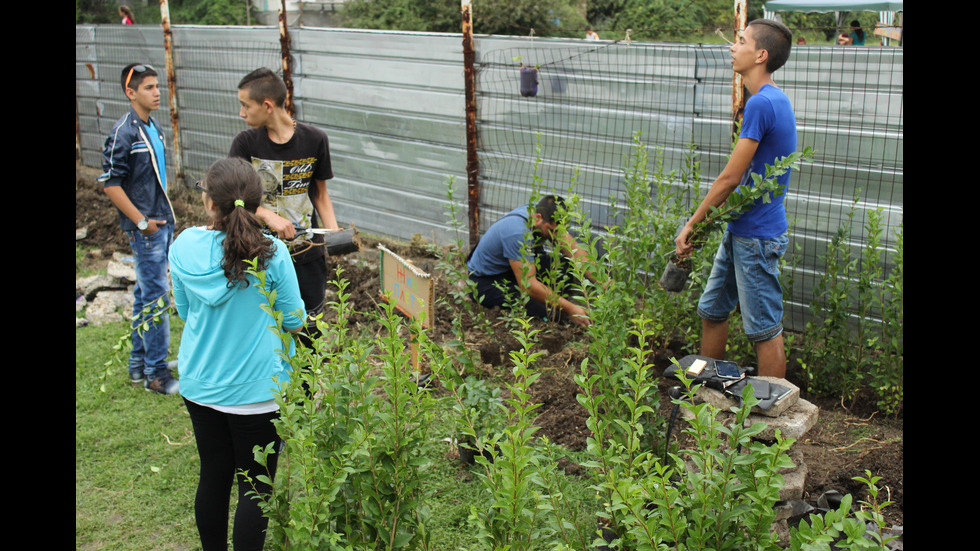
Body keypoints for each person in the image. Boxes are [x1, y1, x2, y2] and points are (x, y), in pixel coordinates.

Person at [169, 157, 306, 551]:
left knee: (213, 476)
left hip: (200, 385)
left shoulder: (182, 246)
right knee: (255, 487)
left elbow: (183, 310)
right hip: (259, 393)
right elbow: (295, 321)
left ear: (210, 202)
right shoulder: (273, 253)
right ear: (258, 202)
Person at [674, 19, 797, 379]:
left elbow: (730, 178)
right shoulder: (773, 99)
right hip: (741, 228)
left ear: (760, 54)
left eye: (740, 41)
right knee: (713, 309)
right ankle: (708, 393)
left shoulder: (762, 104)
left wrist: (692, 224)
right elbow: (745, 178)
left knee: (764, 327)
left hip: (757, 236)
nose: (732, 46)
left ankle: (774, 416)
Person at [228, 67, 339, 345]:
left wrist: (334, 233)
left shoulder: (315, 140)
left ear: (267, 106)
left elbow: (321, 195)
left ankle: (306, 389)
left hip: (307, 254)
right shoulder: (245, 144)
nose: (241, 113)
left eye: (245, 105)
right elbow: (234, 199)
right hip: (260, 254)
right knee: (267, 332)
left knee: (307, 330)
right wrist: (266, 214)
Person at [99, 63, 178, 394]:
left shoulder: (153, 127)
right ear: (130, 92)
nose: (157, 92)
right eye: (148, 87)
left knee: (147, 295)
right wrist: (142, 222)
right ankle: (156, 374)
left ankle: (138, 365)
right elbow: (110, 183)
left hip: (162, 221)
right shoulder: (123, 132)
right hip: (146, 229)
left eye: (157, 86)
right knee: (157, 298)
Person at [467, 195, 593, 327]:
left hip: (513, 269)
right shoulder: (517, 232)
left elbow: (575, 252)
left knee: (563, 267)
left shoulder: (544, 215)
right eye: (551, 231)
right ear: (538, 218)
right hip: (486, 282)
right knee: (552, 313)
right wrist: (570, 309)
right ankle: (555, 311)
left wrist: (604, 282)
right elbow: (528, 285)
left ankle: (558, 302)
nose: (554, 236)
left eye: (558, 232)